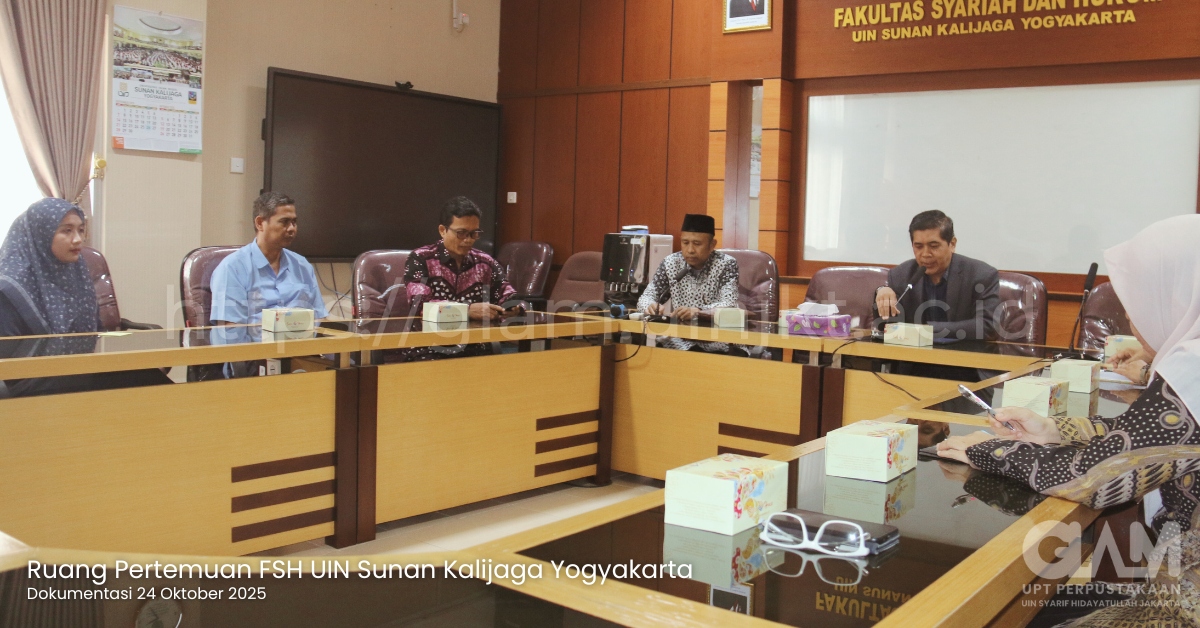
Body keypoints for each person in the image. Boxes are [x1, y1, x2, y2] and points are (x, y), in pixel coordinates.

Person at [0, 198, 170, 396]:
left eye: (81, 230)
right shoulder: (10, 286)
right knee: (140, 384)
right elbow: (10, 358)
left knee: (146, 378)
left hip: (81, 365)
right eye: (67, 231)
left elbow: (94, 333)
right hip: (35, 380)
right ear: (40, 234)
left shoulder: (76, 271)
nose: (78, 239)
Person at [391, 196, 516, 362]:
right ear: (443, 230)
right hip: (429, 349)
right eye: (461, 233)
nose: (468, 240)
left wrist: (512, 307)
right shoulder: (421, 258)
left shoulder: (485, 262)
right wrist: (468, 310)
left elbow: (507, 293)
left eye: (474, 233)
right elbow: (420, 305)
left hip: (475, 348)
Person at [874, 210, 1000, 343]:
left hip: (963, 353)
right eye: (919, 247)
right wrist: (882, 291)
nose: (925, 254)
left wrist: (928, 329)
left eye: (933, 246)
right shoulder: (901, 274)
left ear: (952, 244)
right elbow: (887, 326)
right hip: (914, 354)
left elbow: (987, 326)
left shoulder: (981, 275)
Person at [209, 191, 327, 326]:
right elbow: (230, 330)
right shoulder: (232, 268)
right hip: (255, 340)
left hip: (301, 339)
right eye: (284, 222)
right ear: (260, 223)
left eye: (294, 222)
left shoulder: (302, 266)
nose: (292, 229)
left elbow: (319, 319)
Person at [637, 214, 742, 354]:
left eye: (697, 244)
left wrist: (699, 311)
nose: (690, 250)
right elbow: (645, 298)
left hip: (716, 338)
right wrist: (650, 306)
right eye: (685, 243)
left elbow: (729, 305)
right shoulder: (671, 263)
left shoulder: (726, 264)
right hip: (681, 339)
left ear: (712, 245)